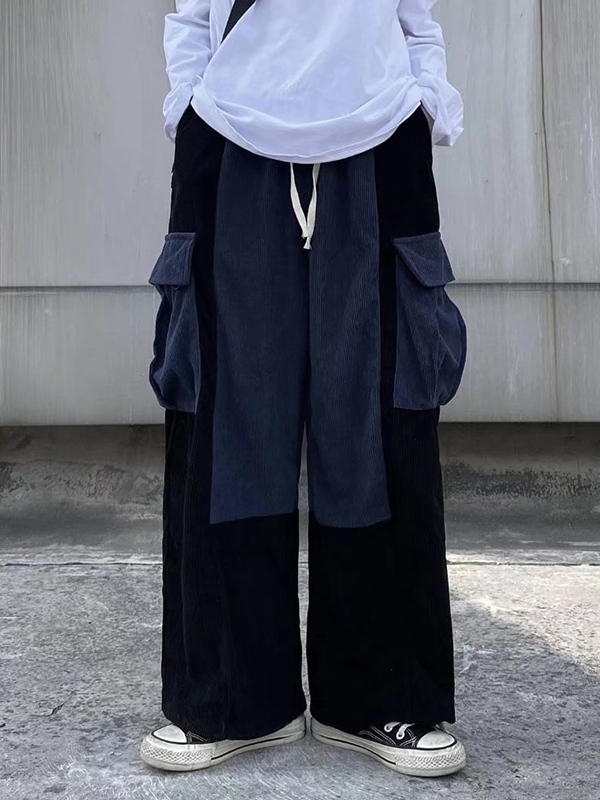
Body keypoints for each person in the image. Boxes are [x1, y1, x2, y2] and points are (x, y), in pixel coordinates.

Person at [140, 0, 468, 778]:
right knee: (229, 425)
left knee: (377, 425)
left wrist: (425, 99)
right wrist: (190, 103)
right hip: (230, 137)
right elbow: (189, 13)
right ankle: (233, 699)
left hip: (379, 139)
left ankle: (380, 698)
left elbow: (416, 16)